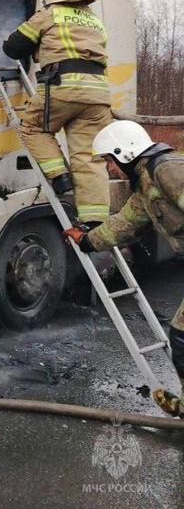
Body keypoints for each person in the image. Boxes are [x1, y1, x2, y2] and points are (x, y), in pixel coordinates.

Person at [65, 120, 184, 418]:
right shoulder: (144, 187)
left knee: (183, 336)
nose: (109, 168)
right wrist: (86, 241)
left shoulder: (167, 170)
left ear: (124, 154)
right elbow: (123, 225)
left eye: (109, 160)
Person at [3, 0, 111, 225]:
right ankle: (95, 221)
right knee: (89, 157)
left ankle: (60, 176)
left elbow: (13, 47)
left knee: (32, 129)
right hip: (98, 95)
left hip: (63, 88)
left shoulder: (49, 14)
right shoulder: (96, 21)